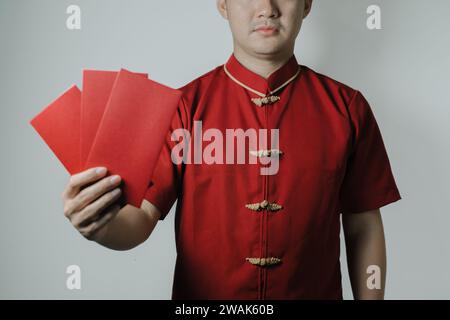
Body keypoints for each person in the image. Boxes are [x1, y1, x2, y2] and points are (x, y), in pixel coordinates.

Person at [61, 0, 401, 300]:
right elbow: (141, 218)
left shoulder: (347, 108)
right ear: (222, 4)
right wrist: (100, 226)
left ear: (307, 4)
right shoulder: (182, 108)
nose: (267, 7)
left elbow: (364, 225)